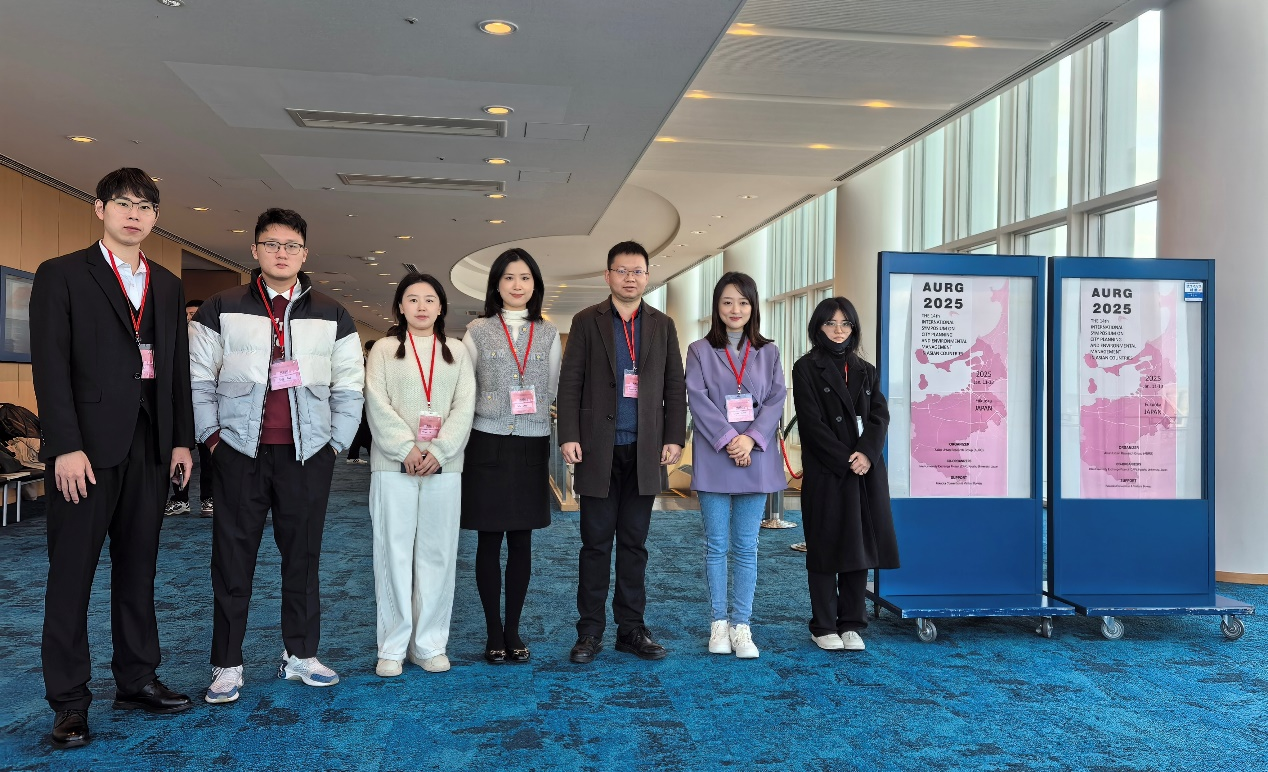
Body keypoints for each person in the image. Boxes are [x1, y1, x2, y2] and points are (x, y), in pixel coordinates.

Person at [31, 168, 195, 749]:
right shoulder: (61, 274)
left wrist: (181, 440)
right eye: (123, 203)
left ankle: (137, 679)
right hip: (85, 452)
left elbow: (175, 368)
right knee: (71, 575)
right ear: (99, 208)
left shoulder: (167, 285)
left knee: (139, 569)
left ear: (155, 217)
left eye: (145, 206)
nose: (134, 214)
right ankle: (69, 701)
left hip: (149, 446)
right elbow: (50, 365)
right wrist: (64, 445)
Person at [189, 208, 365, 703]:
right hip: (239, 453)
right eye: (271, 244)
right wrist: (213, 439)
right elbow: (199, 378)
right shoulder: (222, 306)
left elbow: (350, 385)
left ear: (304, 253)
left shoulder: (332, 313)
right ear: (255, 250)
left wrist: (335, 444)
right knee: (231, 560)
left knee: (303, 557)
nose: (281, 253)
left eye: (291, 245)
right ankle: (227, 663)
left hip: (307, 456)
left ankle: (301, 654)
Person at [557, 240, 686, 664]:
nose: (630, 278)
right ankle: (589, 632)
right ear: (608, 275)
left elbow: (674, 384)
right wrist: (568, 434)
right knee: (595, 544)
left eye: (638, 271)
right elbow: (571, 382)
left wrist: (674, 436)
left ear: (648, 276)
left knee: (634, 544)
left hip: (645, 450)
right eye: (622, 270)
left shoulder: (662, 324)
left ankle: (631, 629)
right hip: (598, 449)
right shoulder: (586, 320)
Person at [364, 273, 475, 677]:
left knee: (438, 554)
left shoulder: (457, 351)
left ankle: (429, 644)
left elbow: (465, 406)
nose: (422, 306)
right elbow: (376, 402)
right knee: (392, 554)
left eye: (430, 299)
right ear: (400, 307)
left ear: (441, 306)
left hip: (444, 467)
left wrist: (440, 451)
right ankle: (392, 647)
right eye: (412, 299)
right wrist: (405, 448)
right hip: (393, 466)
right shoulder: (384, 350)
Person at [460, 248, 561, 665]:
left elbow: (552, 386)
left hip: (532, 442)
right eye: (508, 278)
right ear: (496, 285)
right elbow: (464, 387)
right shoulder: (477, 330)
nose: (517, 285)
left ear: (535, 285)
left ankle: (513, 629)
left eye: (525, 278)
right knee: (488, 539)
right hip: (486, 440)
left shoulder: (548, 332)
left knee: (522, 540)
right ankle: (492, 632)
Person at [684, 272, 786, 659]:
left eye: (743, 302)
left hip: (754, 456)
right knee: (715, 545)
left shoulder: (769, 352)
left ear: (753, 306)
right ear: (717, 306)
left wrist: (750, 439)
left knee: (746, 546)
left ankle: (741, 625)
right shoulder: (699, 350)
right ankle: (718, 623)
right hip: (716, 455)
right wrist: (730, 439)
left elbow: (776, 399)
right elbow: (697, 398)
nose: (735, 309)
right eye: (727, 302)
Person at [790, 297, 899, 652]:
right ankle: (823, 625)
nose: (838, 331)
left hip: (864, 470)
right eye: (830, 323)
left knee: (859, 546)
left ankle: (852, 622)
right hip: (828, 469)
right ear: (817, 327)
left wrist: (866, 454)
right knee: (824, 546)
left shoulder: (866, 369)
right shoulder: (806, 367)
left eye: (845, 324)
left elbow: (879, 416)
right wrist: (846, 459)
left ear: (854, 328)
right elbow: (811, 424)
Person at [165, 298, 215, 517]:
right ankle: (180, 499)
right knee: (178, 452)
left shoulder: (211, 339)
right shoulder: (173, 339)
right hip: (179, 405)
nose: (188, 318)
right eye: (186, 315)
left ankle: (209, 498)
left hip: (204, 404)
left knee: (208, 455)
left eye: (193, 314)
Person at [345, 339, 375, 464]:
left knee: (362, 427)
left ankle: (353, 455)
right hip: (361, 397)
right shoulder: (361, 362)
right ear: (367, 350)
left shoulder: (372, 362)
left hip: (368, 398)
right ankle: (366, 453)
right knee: (364, 425)